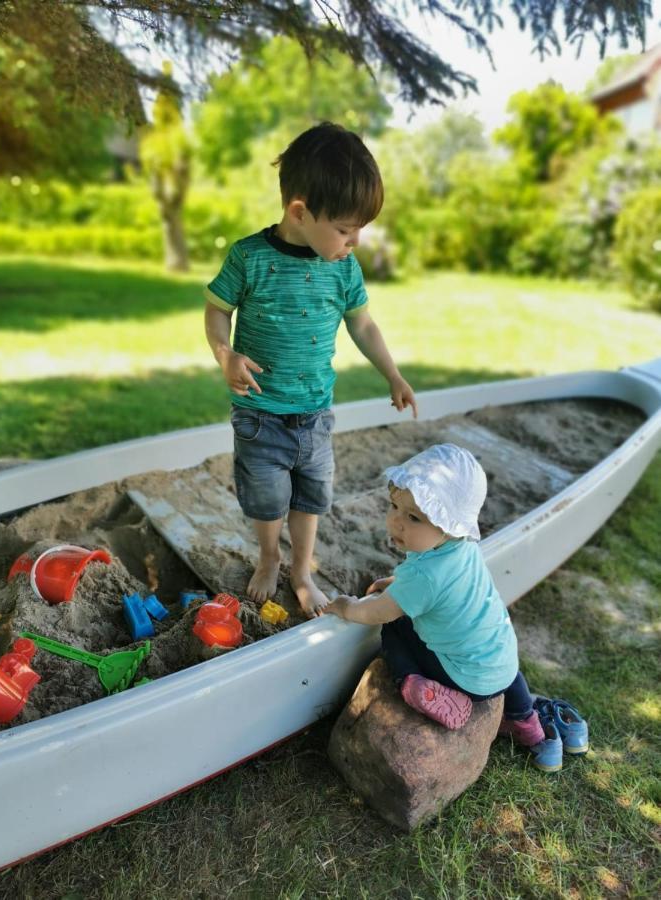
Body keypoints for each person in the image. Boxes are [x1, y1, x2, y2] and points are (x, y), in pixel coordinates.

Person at [205, 122, 417, 618]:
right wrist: (224, 354)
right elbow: (217, 310)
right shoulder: (249, 258)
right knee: (266, 501)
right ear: (300, 212)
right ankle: (268, 557)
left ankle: (301, 572)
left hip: (315, 415)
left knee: (310, 498)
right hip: (260, 414)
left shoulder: (343, 268)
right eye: (345, 229)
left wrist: (393, 373)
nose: (355, 241)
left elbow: (362, 324)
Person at [324, 443, 567, 773]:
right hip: (502, 664)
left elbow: (379, 611)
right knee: (499, 659)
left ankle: (411, 682)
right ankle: (529, 726)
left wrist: (348, 607)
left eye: (413, 517)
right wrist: (398, 584)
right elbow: (440, 590)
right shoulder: (464, 549)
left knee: (395, 627)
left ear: (449, 524)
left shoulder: (423, 575)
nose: (396, 522)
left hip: (461, 677)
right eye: (394, 506)